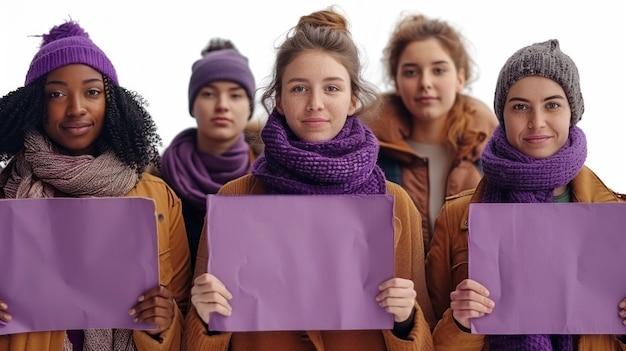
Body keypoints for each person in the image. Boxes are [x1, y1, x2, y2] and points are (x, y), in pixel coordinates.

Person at [183, 7, 435, 350]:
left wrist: (406, 320)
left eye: (331, 88)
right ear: (280, 101)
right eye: (299, 88)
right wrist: (205, 317)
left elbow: (425, 333)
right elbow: (197, 336)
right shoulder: (235, 200)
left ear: (353, 100)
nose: (315, 103)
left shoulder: (395, 204)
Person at [0, 20, 191, 351]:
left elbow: (188, 318)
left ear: (112, 104)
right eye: (56, 94)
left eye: (92, 92)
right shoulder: (5, 196)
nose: (76, 108)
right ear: (35, 105)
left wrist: (166, 320)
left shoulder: (159, 199)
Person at [425, 39, 626, 350]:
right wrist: (461, 323)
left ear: (572, 112)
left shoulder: (616, 217)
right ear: (502, 115)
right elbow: (426, 341)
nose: (537, 122)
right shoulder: (457, 217)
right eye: (520, 106)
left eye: (552, 104)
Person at [364, 13, 497, 255]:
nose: (425, 82)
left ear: (460, 78)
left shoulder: (491, 155)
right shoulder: (368, 155)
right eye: (411, 72)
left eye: (438, 70)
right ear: (396, 80)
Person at [154, 37, 257, 268]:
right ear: (192, 105)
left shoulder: (271, 179)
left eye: (235, 95)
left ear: (249, 106)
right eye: (209, 94)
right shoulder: (157, 184)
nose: (222, 105)